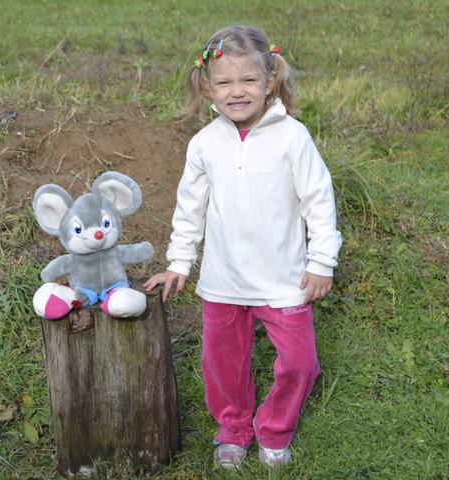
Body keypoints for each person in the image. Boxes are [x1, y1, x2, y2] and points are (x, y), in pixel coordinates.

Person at [144, 25, 343, 470]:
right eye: (225, 82)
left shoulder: (292, 137)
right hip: (223, 281)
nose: (237, 92)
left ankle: (274, 430)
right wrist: (179, 261)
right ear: (207, 86)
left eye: (249, 80)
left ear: (270, 80)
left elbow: (319, 201)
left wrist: (321, 261)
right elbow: (189, 209)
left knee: (300, 362)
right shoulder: (204, 144)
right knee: (223, 365)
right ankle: (233, 430)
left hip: (285, 280)